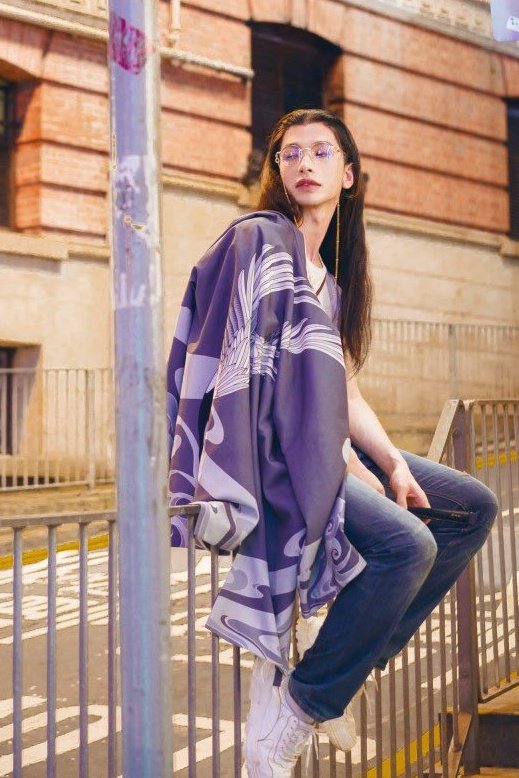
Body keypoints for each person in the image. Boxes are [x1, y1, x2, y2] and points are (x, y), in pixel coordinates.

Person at [167, 108, 498, 778]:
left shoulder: (331, 282)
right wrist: (343, 461)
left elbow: (341, 393)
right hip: (273, 454)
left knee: (470, 507)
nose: (304, 163)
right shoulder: (262, 241)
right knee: (409, 545)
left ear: (348, 174)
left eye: (321, 152)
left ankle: (341, 666)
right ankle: (305, 703)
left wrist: (393, 464)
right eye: (290, 154)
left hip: (321, 447)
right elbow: (253, 368)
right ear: (276, 170)